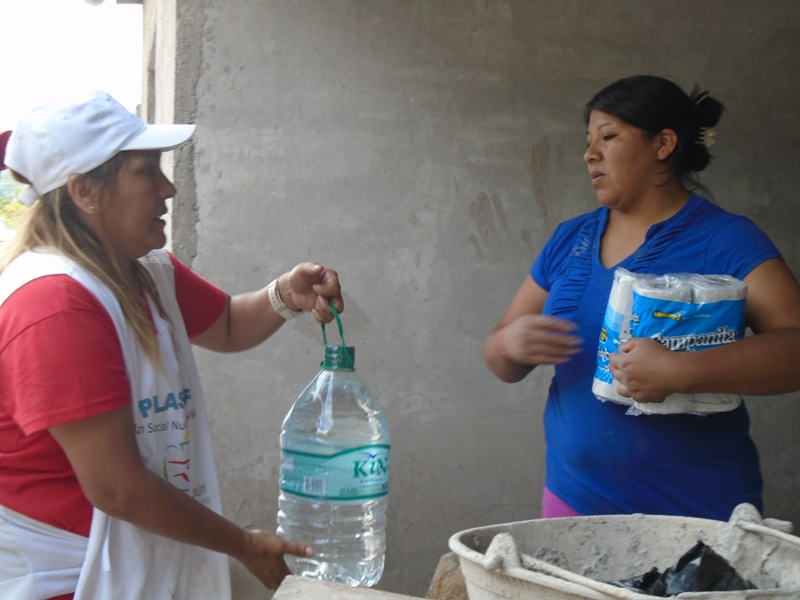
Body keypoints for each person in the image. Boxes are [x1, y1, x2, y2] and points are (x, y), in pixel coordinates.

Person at [0, 91, 344, 599]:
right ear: (84, 191)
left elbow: (226, 324)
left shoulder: (144, 271)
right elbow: (117, 488)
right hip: (73, 579)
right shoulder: (54, 306)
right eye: (146, 172)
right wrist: (243, 544)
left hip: (135, 562)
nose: (168, 188)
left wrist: (286, 294)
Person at [483, 75, 800, 522]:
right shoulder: (569, 239)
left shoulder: (726, 240)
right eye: (588, 141)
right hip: (572, 501)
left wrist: (684, 371)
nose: (589, 153)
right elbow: (500, 350)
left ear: (664, 144)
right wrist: (507, 345)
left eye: (608, 137)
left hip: (696, 516)